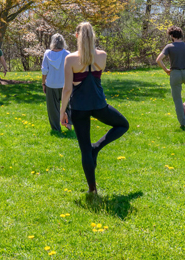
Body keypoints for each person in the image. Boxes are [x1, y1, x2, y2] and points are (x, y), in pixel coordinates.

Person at [60, 22, 129, 194]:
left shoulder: (70, 59)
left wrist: (62, 112)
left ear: (77, 36)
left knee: (86, 150)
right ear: (93, 36)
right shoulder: (102, 56)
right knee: (123, 125)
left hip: (79, 108)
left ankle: (92, 189)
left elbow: (67, 89)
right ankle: (96, 148)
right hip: (99, 104)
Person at [155, 26, 185, 128]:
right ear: (181, 35)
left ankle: (183, 124)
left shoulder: (169, 47)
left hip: (174, 74)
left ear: (171, 35)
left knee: (177, 100)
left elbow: (158, 60)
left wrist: (166, 70)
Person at [42, 33, 71, 132]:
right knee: (67, 105)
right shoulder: (67, 54)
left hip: (51, 84)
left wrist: (43, 83)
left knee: (53, 108)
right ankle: (69, 124)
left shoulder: (47, 54)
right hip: (65, 84)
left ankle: (55, 128)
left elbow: (44, 70)